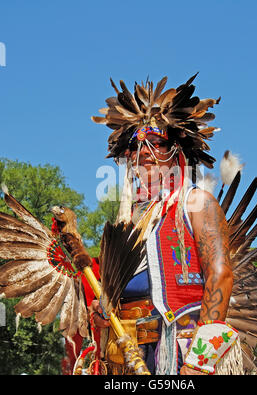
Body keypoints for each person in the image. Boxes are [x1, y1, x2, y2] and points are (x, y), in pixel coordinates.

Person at [87, 74, 243, 375]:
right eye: (138, 144)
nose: (145, 151)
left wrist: (200, 362)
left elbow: (220, 275)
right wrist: (103, 313)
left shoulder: (197, 204)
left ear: (178, 152)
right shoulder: (129, 221)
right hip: (128, 355)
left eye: (156, 142)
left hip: (180, 353)